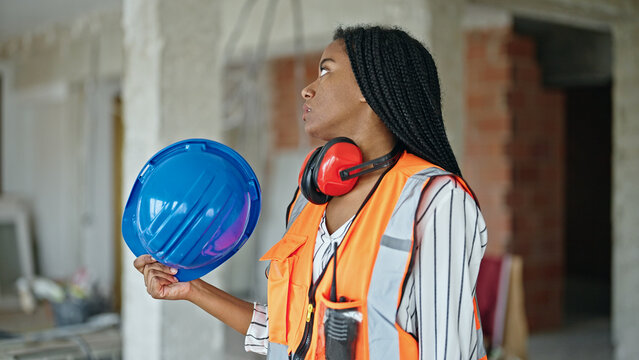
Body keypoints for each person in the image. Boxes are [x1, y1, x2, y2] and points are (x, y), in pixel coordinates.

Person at [134, 25, 488, 360]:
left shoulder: (435, 199)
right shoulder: (311, 199)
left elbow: (448, 351)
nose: (307, 89)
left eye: (326, 71)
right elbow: (290, 335)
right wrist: (191, 288)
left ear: (369, 87)